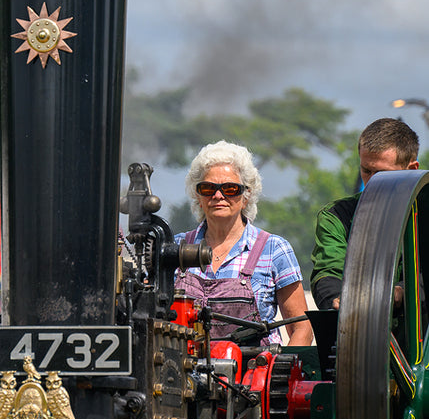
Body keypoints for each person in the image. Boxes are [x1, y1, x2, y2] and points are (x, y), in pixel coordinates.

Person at [175, 140, 312, 346]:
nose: (218, 195)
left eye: (230, 189)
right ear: (198, 195)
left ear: (246, 195)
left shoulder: (274, 249)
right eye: (208, 188)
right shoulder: (176, 248)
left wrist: (277, 373)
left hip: (252, 372)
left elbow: (302, 328)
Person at [311, 117, 419, 310]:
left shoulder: (423, 213)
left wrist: (401, 293)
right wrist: (337, 299)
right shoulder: (336, 216)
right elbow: (327, 272)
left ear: (411, 169)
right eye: (366, 171)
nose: (372, 181)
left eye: (382, 174)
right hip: (356, 333)